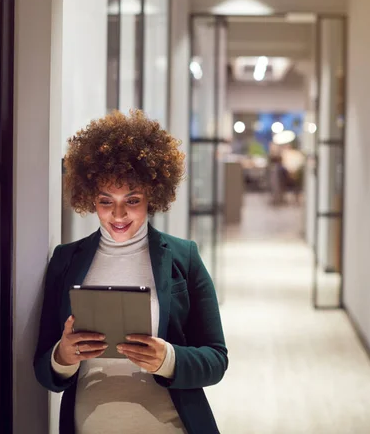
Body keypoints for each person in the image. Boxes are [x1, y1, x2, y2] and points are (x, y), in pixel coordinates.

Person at [34, 110, 228, 434]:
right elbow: (42, 369)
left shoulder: (185, 258)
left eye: (132, 199)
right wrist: (62, 356)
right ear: (90, 198)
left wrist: (169, 359)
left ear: (153, 194)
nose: (118, 214)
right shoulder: (65, 261)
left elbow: (216, 359)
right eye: (106, 201)